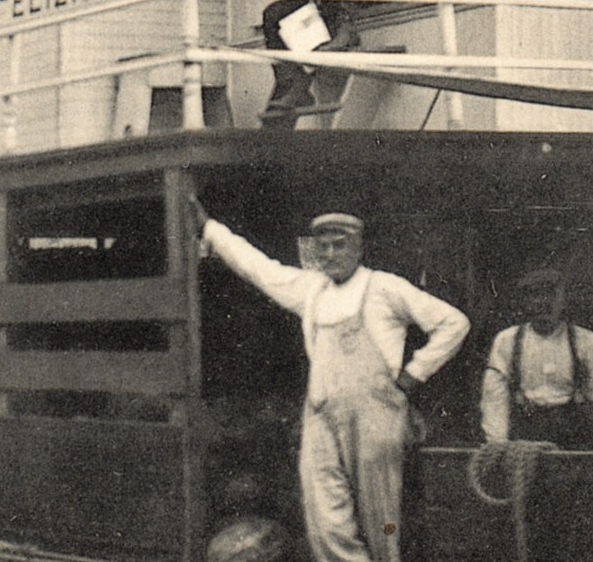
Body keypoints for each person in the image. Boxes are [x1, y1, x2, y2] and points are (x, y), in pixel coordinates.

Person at [199, 209, 470, 562]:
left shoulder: (384, 287)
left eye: (339, 246)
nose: (330, 254)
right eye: (323, 247)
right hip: (321, 415)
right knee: (324, 520)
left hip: (375, 415)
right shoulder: (312, 290)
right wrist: (211, 230)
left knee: (380, 521)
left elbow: (453, 323)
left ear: (358, 248)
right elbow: (259, 268)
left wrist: (413, 374)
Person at [480, 268, 593, 449]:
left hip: (574, 440)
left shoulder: (584, 340)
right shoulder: (507, 341)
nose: (542, 304)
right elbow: (494, 395)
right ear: (525, 302)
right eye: (535, 297)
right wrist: (498, 442)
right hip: (525, 440)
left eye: (550, 297)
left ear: (562, 301)